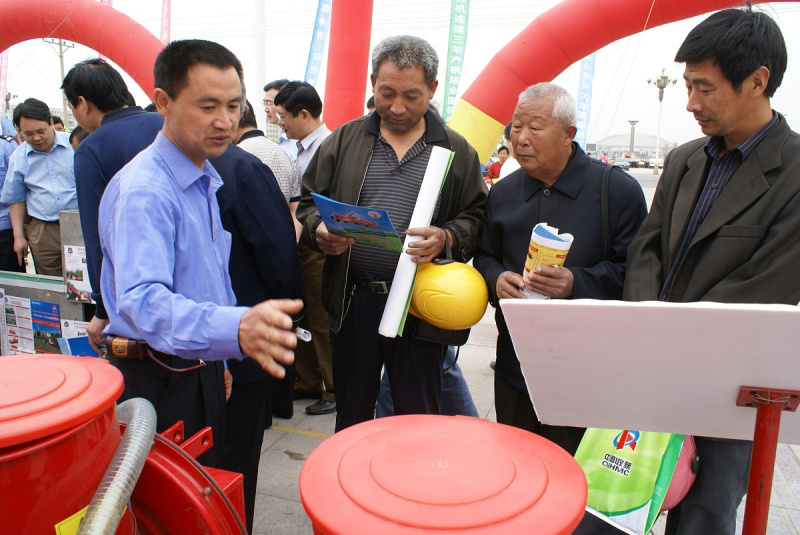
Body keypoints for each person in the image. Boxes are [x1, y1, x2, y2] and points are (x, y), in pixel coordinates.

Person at [624, 8, 798, 534]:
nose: (691, 103)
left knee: (703, 518)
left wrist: (674, 343)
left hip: (730, 387)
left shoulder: (794, 173)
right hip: (654, 371)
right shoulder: (683, 159)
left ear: (757, 81)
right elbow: (646, 251)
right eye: (686, 86)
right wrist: (647, 324)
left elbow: (765, 286)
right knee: (611, 503)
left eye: (705, 87)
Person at [98, 39, 302, 467]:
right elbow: (142, 302)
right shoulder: (146, 190)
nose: (224, 121)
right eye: (208, 106)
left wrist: (219, 356)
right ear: (163, 103)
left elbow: (211, 280)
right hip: (161, 376)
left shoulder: (202, 177)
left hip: (197, 364)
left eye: (233, 106)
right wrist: (236, 327)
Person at [296, 35, 487, 432]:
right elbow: (309, 203)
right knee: (352, 414)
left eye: (411, 96)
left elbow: (477, 213)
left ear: (433, 90)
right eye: (386, 93)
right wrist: (320, 232)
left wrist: (447, 237)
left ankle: (413, 490)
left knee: (418, 414)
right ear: (372, 83)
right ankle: (350, 491)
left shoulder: (456, 149)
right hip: (354, 299)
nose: (397, 107)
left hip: (420, 302)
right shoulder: (345, 140)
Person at [474, 83, 647, 455]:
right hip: (515, 364)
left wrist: (576, 282)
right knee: (518, 467)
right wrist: (496, 279)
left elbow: (637, 273)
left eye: (534, 128)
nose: (520, 139)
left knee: (574, 479)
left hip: (589, 371)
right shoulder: (503, 194)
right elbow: (485, 257)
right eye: (516, 127)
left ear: (569, 134)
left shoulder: (617, 191)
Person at [211, 141, 302, 534]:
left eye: (230, 106)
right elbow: (280, 255)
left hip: (212, 346)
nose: (220, 119)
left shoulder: (235, 169)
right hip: (235, 342)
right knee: (232, 462)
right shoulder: (240, 169)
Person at [61, 58, 164, 354]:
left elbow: (96, 238)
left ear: (82, 103)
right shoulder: (167, 126)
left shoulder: (91, 151)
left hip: (134, 291)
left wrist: (102, 309)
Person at [274, 80, 335, 415]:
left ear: (304, 113)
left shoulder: (329, 145)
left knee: (321, 317)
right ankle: (308, 381)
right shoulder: (294, 148)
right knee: (305, 316)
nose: (280, 122)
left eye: (284, 116)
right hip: (300, 244)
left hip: (320, 245)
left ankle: (333, 389)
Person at [1, 98, 77, 276]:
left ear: (51, 123)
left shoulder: (74, 145)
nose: (36, 138)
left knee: (85, 281)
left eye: (40, 131)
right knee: (52, 286)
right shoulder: (19, 158)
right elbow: (16, 200)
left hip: (78, 223)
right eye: (28, 133)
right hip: (44, 230)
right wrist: (19, 237)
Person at [0, 134, 25, 272]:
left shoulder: (7, 147)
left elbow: (18, 192)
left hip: (5, 230)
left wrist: (19, 235)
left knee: (11, 285)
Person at [263, 78, 296, 162]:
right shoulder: (281, 137)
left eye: (269, 103)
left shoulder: (297, 140)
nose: (266, 109)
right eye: (264, 103)